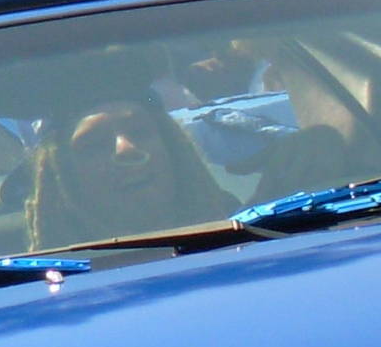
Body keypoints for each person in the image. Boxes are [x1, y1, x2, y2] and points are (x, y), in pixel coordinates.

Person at [26, 94, 234, 249]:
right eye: (95, 145)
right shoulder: (47, 280)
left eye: (140, 132)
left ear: (173, 151)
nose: (126, 149)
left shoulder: (241, 234)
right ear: (63, 178)